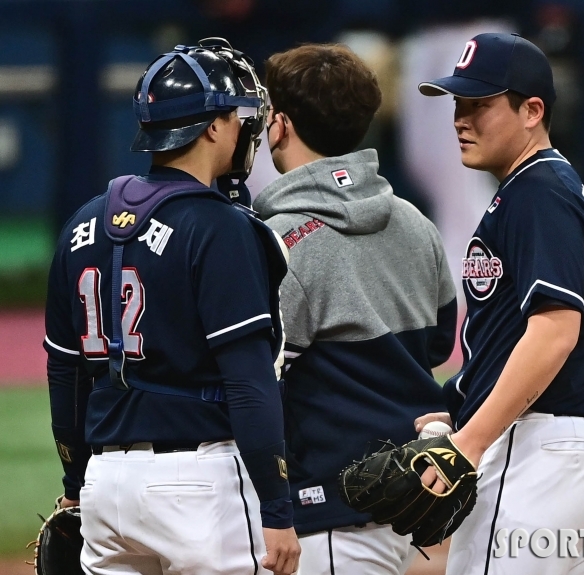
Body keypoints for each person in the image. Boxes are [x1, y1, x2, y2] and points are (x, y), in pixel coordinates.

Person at [43, 38, 300, 575]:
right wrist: (277, 508)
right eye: (238, 117)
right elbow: (249, 381)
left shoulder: (80, 225)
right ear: (212, 126)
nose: (245, 127)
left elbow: (65, 374)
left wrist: (75, 488)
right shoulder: (220, 228)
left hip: (105, 489)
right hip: (197, 487)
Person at [414, 32, 584, 574]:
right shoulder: (545, 187)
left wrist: (468, 442)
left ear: (532, 110)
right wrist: (459, 404)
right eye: (457, 105)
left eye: (480, 105)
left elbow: (554, 332)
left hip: (536, 451)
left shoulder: (537, 191)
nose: (461, 119)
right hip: (574, 454)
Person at [251, 44, 458, 575]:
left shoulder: (279, 242)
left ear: (280, 125)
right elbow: (438, 343)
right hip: (401, 495)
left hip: (321, 515)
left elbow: (256, 383)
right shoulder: (416, 222)